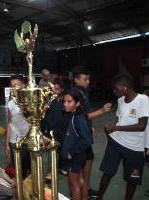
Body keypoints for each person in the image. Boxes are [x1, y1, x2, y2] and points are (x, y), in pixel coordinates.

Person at [96, 75, 148, 200]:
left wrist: (115, 128)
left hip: (134, 147)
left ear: (125, 88)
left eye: (116, 89)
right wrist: (111, 129)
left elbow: (142, 126)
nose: (114, 91)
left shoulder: (143, 99)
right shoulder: (120, 100)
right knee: (107, 172)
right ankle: (99, 198)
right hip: (116, 142)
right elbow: (121, 121)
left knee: (132, 179)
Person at [71, 66, 112, 197]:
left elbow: (84, 114)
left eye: (89, 79)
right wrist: (101, 111)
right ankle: (77, 192)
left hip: (83, 132)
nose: (88, 81)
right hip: (78, 136)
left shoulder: (83, 92)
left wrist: (89, 127)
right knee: (82, 162)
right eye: (85, 79)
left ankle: (85, 190)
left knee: (88, 159)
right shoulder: (75, 93)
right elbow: (80, 116)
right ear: (76, 79)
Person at [61, 89, 93, 200]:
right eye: (64, 101)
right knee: (80, 181)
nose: (65, 104)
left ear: (77, 103)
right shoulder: (73, 115)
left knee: (74, 186)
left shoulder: (78, 118)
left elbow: (87, 140)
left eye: (69, 101)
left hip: (74, 157)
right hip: (77, 156)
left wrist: (71, 152)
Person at [41, 77, 70, 179]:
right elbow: (44, 116)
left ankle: (63, 167)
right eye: (53, 89)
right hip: (51, 130)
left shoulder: (65, 102)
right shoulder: (49, 101)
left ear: (62, 89)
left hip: (63, 130)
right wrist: (42, 129)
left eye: (57, 89)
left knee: (63, 149)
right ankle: (50, 172)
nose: (54, 91)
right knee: (51, 151)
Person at [5, 75, 31, 178]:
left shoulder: (30, 102)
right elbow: (9, 123)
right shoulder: (11, 103)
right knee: (18, 172)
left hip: (27, 142)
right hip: (13, 142)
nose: (14, 88)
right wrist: (6, 144)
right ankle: (20, 192)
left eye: (16, 85)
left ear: (23, 86)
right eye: (12, 86)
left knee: (28, 172)